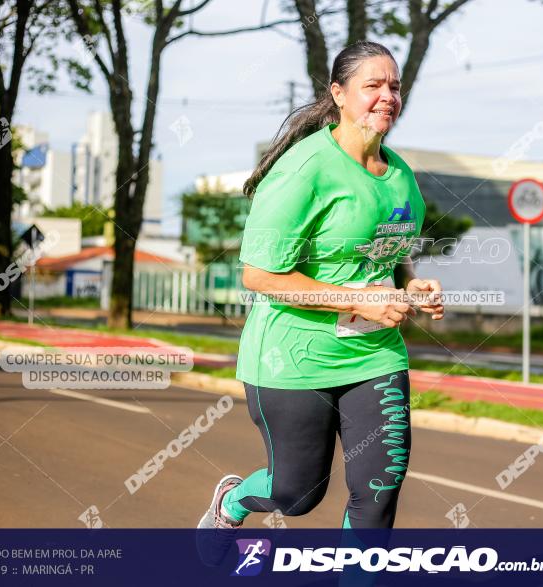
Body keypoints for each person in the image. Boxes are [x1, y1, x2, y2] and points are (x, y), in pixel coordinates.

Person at [197, 40, 444, 559]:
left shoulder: (400, 176)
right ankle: (233, 503)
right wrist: (357, 299)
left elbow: (388, 252)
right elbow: (259, 276)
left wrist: (411, 284)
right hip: (292, 358)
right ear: (338, 94)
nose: (386, 96)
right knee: (297, 494)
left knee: (379, 491)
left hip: (375, 354)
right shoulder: (305, 169)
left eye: (393, 86)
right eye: (372, 85)